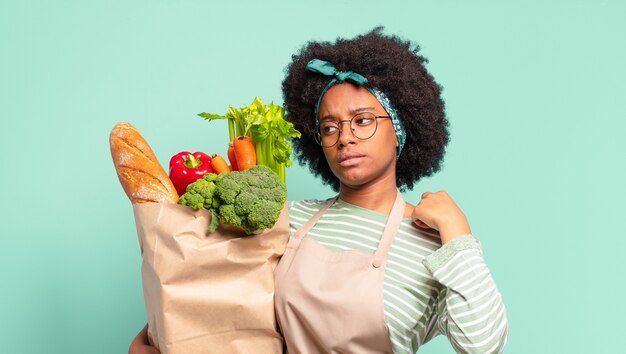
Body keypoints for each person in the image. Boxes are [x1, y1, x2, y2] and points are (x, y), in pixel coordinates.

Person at [129, 27, 508, 354]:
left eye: (362, 121)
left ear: (401, 128)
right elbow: (214, 303)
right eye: (329, 127)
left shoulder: (435, 248)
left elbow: (483, 345)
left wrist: (458, 232)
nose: (345, 137)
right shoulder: (289, 218)